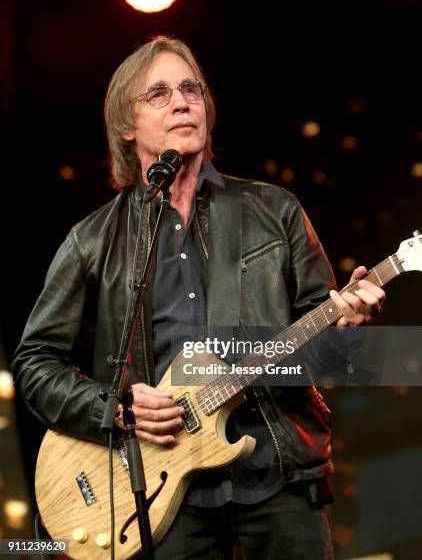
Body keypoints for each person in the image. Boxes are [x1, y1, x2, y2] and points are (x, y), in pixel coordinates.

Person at [12, 35, 385, 560]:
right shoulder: (92, 240)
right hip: (164, 491)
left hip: (279, 472)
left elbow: (326, 355)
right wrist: (116, 407)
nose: (183, 101)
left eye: (191, 88)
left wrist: (347, 328)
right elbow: (34, 363)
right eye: (159, 93)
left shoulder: (273, 210)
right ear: (126, 124)